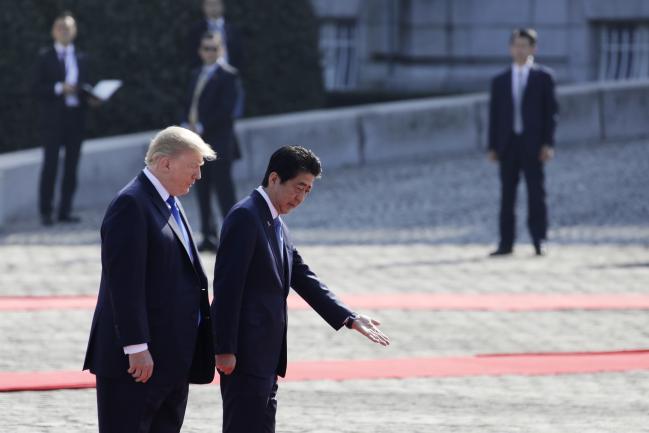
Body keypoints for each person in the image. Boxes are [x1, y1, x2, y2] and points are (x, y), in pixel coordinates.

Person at [211, 145, 390, 433]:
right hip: (244, 355)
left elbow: (303, 276)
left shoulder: (276, 221)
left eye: (307, 191)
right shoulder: (245, 217)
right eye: (298, 188)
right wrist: (224, 349)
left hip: (266, 355)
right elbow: (227, 288)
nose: (301, 197)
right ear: (273, 179)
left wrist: (349, 317)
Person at [83, 126, 217, 433]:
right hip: (138, 363)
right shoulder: (131, 204)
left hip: (172, 358)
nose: (198, 176)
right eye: (193, 167)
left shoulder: (172, 200)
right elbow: (124, 284)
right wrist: (136, 347)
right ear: (164, 162)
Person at [487, 28, 558, 257]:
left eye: (524, 45)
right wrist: (492, 146)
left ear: (533, 49)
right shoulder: (499, 80)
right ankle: (506, 242)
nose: (520, 50)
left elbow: (551, 114)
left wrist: (548, 143)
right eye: (516, 45)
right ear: (510, 48)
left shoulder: (543, 77)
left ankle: (539, 239)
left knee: (536, 194)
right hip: (508, 145)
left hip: (533, 144)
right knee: (507, 195)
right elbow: (494, 116)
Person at [32, 11, 97, 226]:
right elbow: (35, 88)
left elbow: (86, 86)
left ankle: (65, 210)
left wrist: (92, 97)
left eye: (68, 28)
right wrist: (60, 88)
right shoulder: (45, 56)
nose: (64, 31)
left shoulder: (82, 58)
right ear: (53, 31)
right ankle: (46, 211)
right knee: (50, 165)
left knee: (72, 166)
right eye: (60, 27)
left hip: (76, 118)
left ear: (75, 31)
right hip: (52, 121)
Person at [182, 32, 238, 252]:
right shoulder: (195, 73)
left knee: (224, 192)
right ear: (200, 51)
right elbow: (187, 102)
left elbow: (227, 110)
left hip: (219, 143)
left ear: (221, 50)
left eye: (214, 49)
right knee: (201, 189)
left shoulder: (228, 75)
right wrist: (185, 123)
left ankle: (234, 236)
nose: (209, 53)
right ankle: (208, 234)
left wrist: (203, 125)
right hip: (196, 143)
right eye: (206, 48)